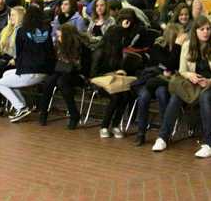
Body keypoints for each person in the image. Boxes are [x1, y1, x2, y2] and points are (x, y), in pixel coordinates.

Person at [152, 15, 211, 155]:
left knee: (206, 97)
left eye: (208, 29)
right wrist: (190, 75)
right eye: (202, 29)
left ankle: (209, 144)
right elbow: (182, 70)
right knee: (176, 97)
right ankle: (162, 137)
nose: (206, 32)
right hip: (193, 85)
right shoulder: (187, 45)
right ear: (195, 31)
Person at [96, 8, 150, 138]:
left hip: (115, 79)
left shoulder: (119, 51)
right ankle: (104, 126)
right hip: (100, 79)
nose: (122, 40)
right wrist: (113, 72)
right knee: (116, 97)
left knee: (125, 95)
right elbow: (95, 72)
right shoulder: (100, 52)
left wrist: (118, 71)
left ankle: (115, 125)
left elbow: (128, 41)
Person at [0, 5, 55, 122]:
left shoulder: (21, 31)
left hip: (30, 71)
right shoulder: (46, 29)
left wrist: (19, 66)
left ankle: (20, 107)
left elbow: (19, 53)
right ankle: (22, 106)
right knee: (6, 74)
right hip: (45, 71)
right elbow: (50, 51)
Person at [133, 23, 186, 146]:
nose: (183, 37)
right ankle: (141, 132)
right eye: (180, 35)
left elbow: (172, 66)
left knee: (162, 93)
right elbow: (169, 64)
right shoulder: (158, 47)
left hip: (165, 82)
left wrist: (177, 48)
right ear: (173, 36)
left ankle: (163, 134)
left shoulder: (182, 49)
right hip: (151, 80)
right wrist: (176, 47)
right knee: (143, 97)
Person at [37, 24, 92, 128]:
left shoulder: (82, 48)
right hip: (61, 72)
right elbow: (53, 62)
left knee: (62, 81)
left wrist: (73, 65)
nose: (58, 38)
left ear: (67, 37)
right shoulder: (59, 46)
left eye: (60, 36)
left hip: (78, 75)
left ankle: (74, 114)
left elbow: (86, 69)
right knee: (49, 81)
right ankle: (43, 112)